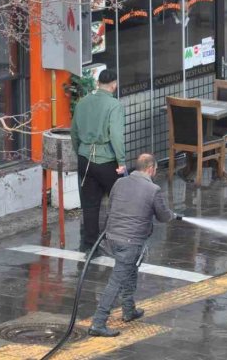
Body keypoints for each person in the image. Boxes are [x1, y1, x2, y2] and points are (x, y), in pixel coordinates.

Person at [89, 153, 182, 337]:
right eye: (155, 169)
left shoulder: (119, 183)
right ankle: (98, 323)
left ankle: (129, 310)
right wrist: (173, 215)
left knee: (130, 271)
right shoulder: (153, 189)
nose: (155, 173)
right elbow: (163, 216)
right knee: (116, 281)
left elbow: (111, 207)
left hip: (113, 238)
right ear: (150, 169)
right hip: (130, 241)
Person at [71, 69, 126, 251]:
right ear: (113, 84)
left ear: (98, 83)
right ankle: (118, 241)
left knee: (90, 204)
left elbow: (74, 133)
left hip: (85, 159)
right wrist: (121, 161)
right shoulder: (114, 105)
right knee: (118, 202)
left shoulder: (82, 103)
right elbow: (116, 136)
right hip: (107, 161)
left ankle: (90, 244)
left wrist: (80, 152)